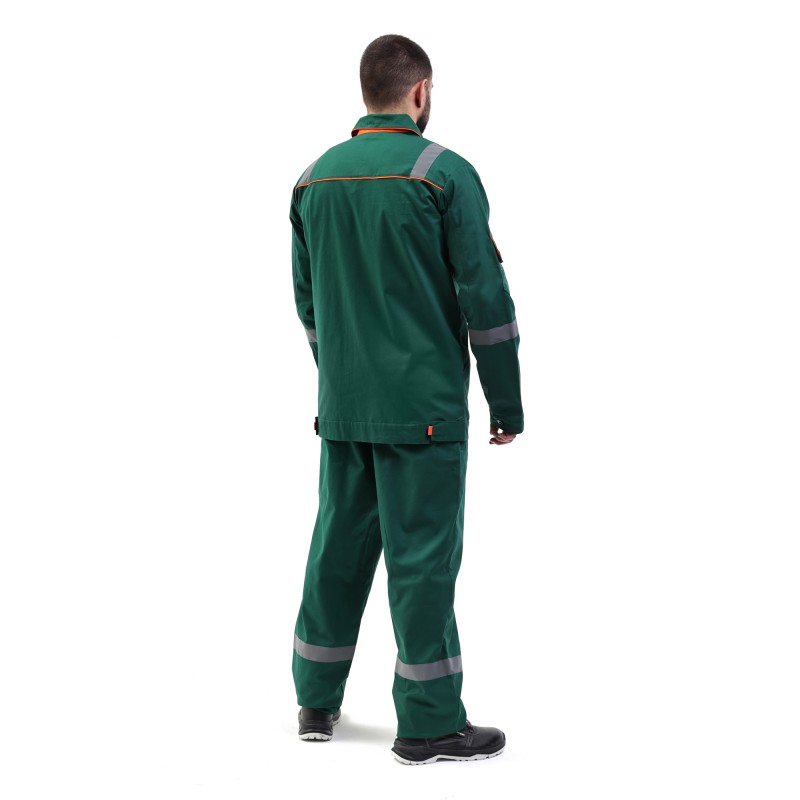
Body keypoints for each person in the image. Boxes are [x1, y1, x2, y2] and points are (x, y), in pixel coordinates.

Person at [289, 34, 523, 765]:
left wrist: (343, 377)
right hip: (423, 411)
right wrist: (506, 403)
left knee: (338, 547)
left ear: (369, 92)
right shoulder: (444, 174)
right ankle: (428, 724)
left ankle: (315, 701)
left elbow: (309, 305)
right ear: (419, 91)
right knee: (422, 562)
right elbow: (486, 298)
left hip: (344, 405)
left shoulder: (312, 179)